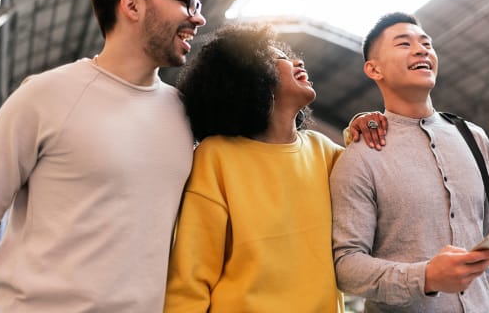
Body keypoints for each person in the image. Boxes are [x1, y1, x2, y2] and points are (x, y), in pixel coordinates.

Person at [0, 0, 206, 312]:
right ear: (132, 5)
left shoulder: (185, 116)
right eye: (186, 1)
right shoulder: (45, 95)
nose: (198, 18)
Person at [329, 12, 489, 312]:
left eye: (426, 43)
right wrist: (425, 277)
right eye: (404, 43)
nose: (421, 50)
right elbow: (346, 265)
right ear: (374, 69)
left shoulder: (474, 138)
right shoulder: (360, 157)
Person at [163, 23, 381, 313]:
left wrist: (365, 126)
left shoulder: (325, 151)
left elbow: (379, 187)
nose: (298, 61)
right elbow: (190, 277)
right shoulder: (216, 156)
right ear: (252, 74)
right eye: (279, 56)